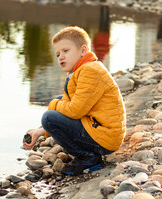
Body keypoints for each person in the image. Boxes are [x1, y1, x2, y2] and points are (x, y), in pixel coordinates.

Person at [23, 26, 126, 176]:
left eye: (66, 51)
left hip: (105, 137)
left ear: (83, 50)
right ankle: (87, 152)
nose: (61, 57)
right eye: (58, 54)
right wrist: (40, 132)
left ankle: (89, 158)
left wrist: (52, 106)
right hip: (99, 129)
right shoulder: (81, 71)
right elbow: (68, 103)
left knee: (49, 116)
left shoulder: (90, 71)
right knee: (59, 103)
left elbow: (76, 111)